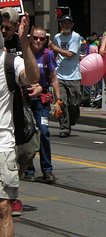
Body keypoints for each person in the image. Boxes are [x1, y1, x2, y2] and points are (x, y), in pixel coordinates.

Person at [0, 13, 39, 237]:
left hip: (3, 144)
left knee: (3, 207)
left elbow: (32, 77)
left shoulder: (9, 61)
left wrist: (25, 44)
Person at [24, 27, 60, 184]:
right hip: (26, 99)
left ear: (46, 40)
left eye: (42, 39)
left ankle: (47, 170)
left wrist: (59, 100)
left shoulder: (48, 55)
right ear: (30, 38)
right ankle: (28, 169)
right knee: (27, 133)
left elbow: (54, 78)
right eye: (35, 38)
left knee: (44, 132)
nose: (38, 41)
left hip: (42, 101)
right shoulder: (25, 53)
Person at [49, 15, 83, 138]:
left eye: (69, 23)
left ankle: (72, 120)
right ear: (61, 25)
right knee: (61, 101)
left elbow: (70, 54)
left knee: (74, 103)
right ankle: (64, 128)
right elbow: (54, 53)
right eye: (64, 23)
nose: (66, 25)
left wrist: (55, 48)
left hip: (74, 75)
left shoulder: (76, 37)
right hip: (60, 75)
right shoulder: (57, 37)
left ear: (72, 25)